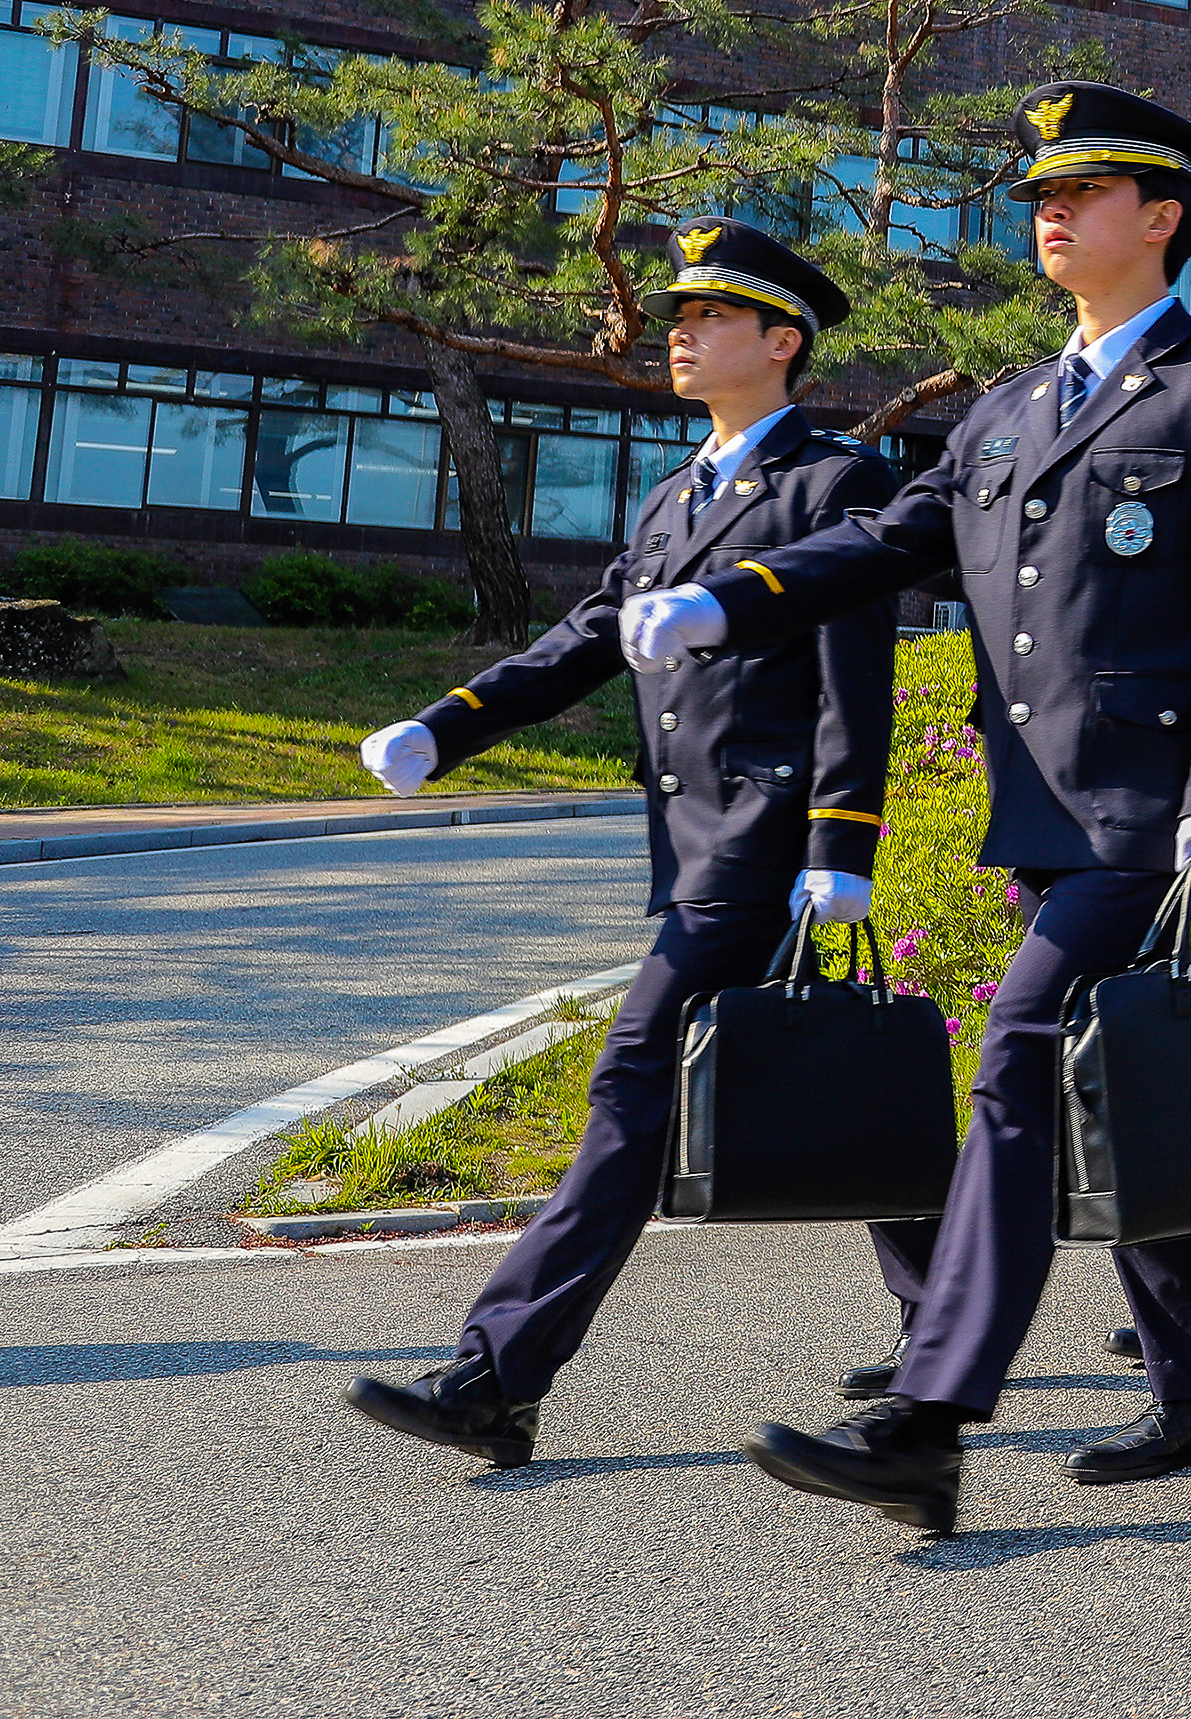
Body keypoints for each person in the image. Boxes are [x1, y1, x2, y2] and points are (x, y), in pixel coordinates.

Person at [613, 86, 1191, 1531]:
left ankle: (929, 1416)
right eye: (1042, 187)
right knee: (1121, 1089)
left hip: (1156, 809)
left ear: (1163, 215)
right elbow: (875, 543)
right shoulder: (1001, 410)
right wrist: (725, 597)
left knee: (1022, 1055)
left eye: (1088, 187)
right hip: (1045, 813)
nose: (1050, 205)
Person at [340, 221, 923, 1471]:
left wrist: (843, 836)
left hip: (767, 837)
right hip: (698, 842)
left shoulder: (835, 484)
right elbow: (586, 637)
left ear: (781, 344)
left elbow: (851, 678)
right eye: (678, 316)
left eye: (710, 318)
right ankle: (946, 1330)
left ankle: (497, 1379)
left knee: (633, 1088)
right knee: (820, 1078)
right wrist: (447, 729)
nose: (679, 333)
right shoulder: (676, 495)